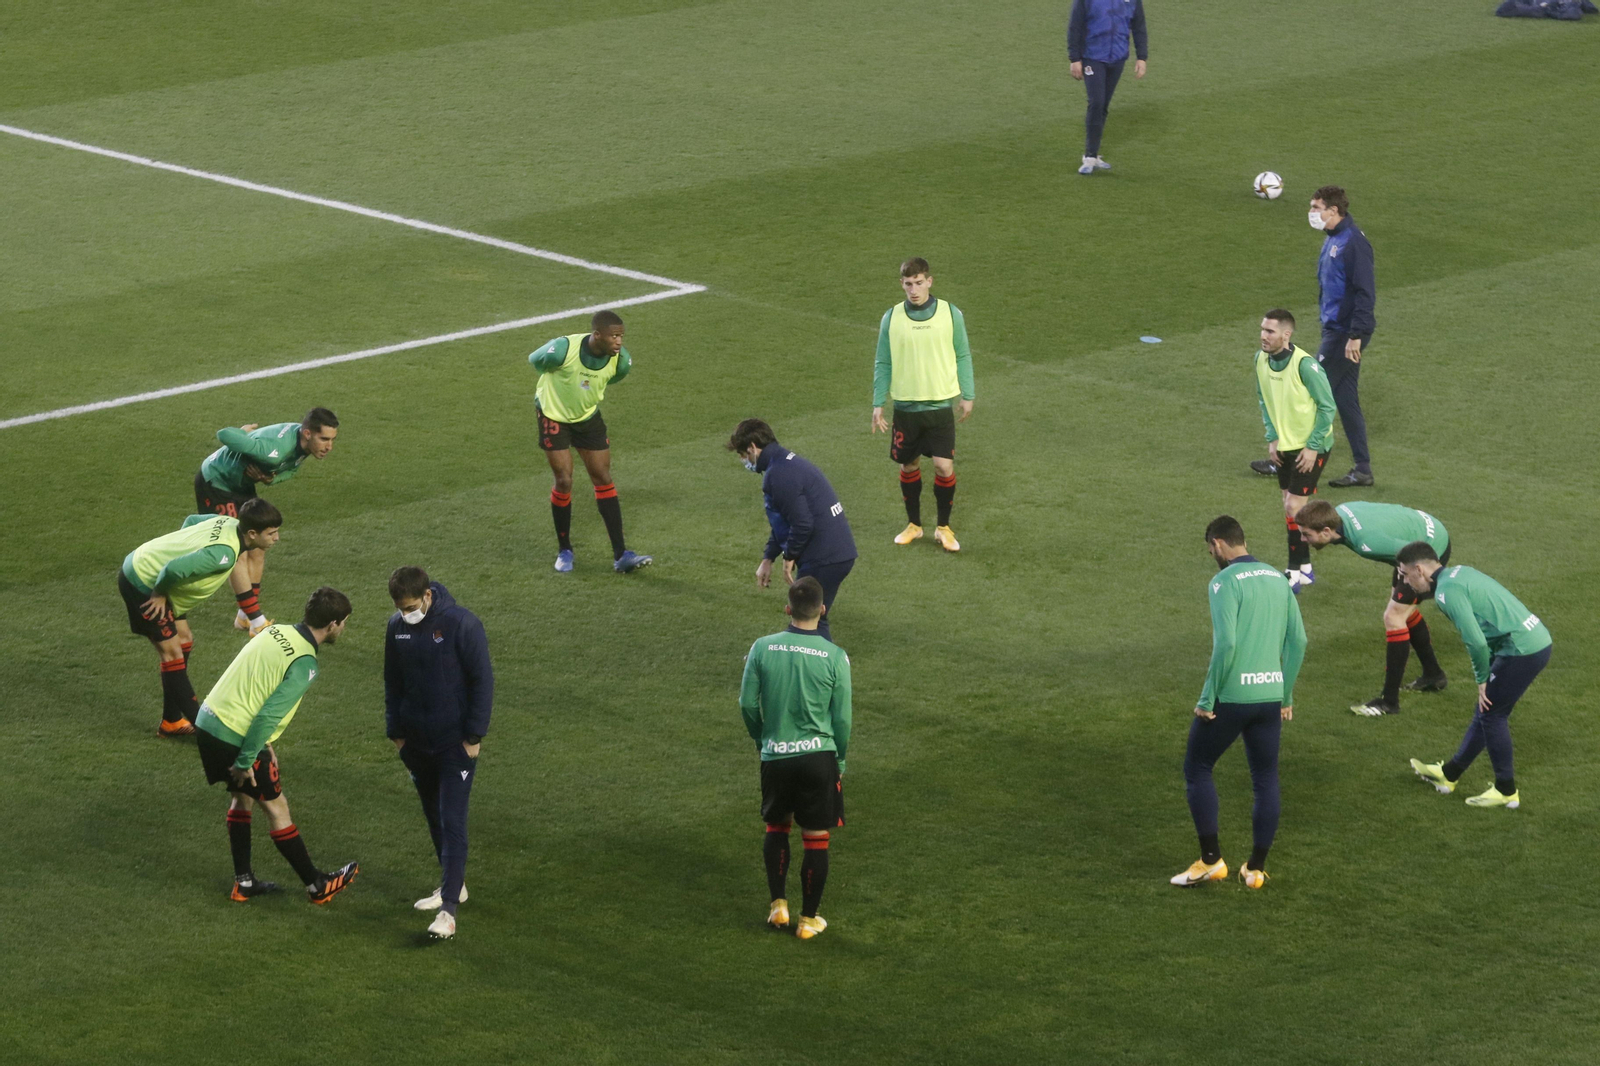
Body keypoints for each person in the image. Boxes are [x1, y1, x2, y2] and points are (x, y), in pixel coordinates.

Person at [193, 586, 359, 903]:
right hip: (236, 736)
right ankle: (317, 886)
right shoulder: (305, 662)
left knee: (243, 799)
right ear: (334, 624)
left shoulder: (275, 630)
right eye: (345, 622)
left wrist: (262, 745)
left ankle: (244, 883)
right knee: (277, 809)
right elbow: (268, 714)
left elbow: (253, 683)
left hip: (208, 722)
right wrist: (245, 760)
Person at [1172, 516, 1305, 891]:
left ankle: (1211, 861)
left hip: (1232, 696)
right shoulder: (1279, 579)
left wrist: (1207, 697)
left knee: (1197, 767)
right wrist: (1287, 694)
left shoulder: (1223, 582)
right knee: (1265, 780)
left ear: (1217, 544)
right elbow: (1299, 642)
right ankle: (1256, 869)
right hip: (1270, 696)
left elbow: (1227, 644)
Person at [1397, 545, 1553, 809]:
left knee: (1492, 714)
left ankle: (1506, 790)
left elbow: (1476, 642)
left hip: (1522, 650)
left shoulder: (1447, 592)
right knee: (1486, 710)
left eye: (1404, 574)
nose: (1403, 580)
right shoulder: (1460, 572)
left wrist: (1482, 679)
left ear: (1419, 569)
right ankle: (1449, 775)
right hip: (1530, 640)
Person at [384, 566, 494, 940]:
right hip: (416, 743)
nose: (406, 613)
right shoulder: (395, 628)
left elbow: (482, 680)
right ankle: (454, 883)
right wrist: (396, 735)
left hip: (453, 743)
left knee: (452, 818)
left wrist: (474, 735)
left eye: (412, 606)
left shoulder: (462, 624)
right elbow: (392, 682)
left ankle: (448, 911)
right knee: (433, 813)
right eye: (401, 608)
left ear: (428, 595)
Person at [739, 577, 852, 940]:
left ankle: (778, 906)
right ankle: (808, 920)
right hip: (819, 757)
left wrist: (762, 738)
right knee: (815, 836)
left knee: (777, 826)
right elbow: (842, 719)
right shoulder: (835, 656)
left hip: (777, 754)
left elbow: (745, 703)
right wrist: (841, 759)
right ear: (823, 610)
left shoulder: (762, 647)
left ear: (788, 609)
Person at [119, 499, 283, 736]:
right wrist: (160, 593)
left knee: (184, 640)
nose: (276, 538)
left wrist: (182, 548)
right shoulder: (222, 554)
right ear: (252, 533)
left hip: (151, 569)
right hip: (143, 582)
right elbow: (172, 570)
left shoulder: (228, 522)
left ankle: (172, 721)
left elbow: (192, 521)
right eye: (271, 533)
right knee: (172, 652)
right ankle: (206, 729)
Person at [1296, 499, 1451, 717]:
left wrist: (1426, 580)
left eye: (1307, 534)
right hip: (1417, 534)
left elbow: (1418, 558)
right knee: (1402, 611)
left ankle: (1389, 702)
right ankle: (1433, 675)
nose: (1303, 540)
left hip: (1429, 550)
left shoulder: (1367, 542)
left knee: (1394, 617)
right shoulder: (1340, 513)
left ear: (1326, 530)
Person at [527, 310, 651, 574]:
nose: (619, 342)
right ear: (597, 336)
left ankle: (621, 555)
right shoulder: (563, 349)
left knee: (603, 478)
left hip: (587, 417)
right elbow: (535, 360)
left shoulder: (621, 361)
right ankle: (565, 550)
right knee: (564, 480)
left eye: (621, 336)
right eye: (614, 336)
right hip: (553, 416)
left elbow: (612, 377)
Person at [194, 409, 339, 634]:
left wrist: (271, 478)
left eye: (332, 440)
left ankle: (244, 617)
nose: (329, 447)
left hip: (241, 486)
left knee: (258, 546)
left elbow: (291, 471)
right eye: (325, 439)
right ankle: (257, 621)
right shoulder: (273, 452)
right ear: (308, 433)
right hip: (216, 481)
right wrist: (241, 434)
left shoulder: (302, 444)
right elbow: (224, 434)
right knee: (237, 549)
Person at [871, 257, 975, 553]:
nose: (913, 290)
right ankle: (914, 525)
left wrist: (967, 394)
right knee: (909, 463)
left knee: (943, 467)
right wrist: (878, 402)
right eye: (908, 284)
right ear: (901, 284)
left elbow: (963, 354)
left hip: (940, 406)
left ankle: (943, 527)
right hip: (905, 408)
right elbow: (883, 361)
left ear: (929, 281)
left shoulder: (950, 314)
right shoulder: (891, 318)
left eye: (919, 283)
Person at [727, 419, 858, 642]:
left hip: (825, 556)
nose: (744, 460)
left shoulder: (777, 475)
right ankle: (810, 665)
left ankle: (816, 667)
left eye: (743, 454)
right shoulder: (784, 463)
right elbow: (785, 522)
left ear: (753, 447)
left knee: (809, 617)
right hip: (836, 551)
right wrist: (769, 557)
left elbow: (802, 524)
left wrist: (790, 556)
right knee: (810, 616)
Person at [1251, 310, 1336, 592]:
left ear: (1286, 335)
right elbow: (1265, 400)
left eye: (1270, 331)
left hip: (1311, 446)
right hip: (1285, 445)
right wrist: (1272, 437)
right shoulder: (1260, 360)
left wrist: (1312, 447)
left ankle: (1293, 571)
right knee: (1290, 504)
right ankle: (1306, 568)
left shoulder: (1305, 366)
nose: (1264, 335)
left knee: (1293, 506)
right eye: (1263, 329)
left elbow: (1327, 407)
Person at [1308, 186, 1377, 488]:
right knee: (1346, 400)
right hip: (1336, 330)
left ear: (1334, 211)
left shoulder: (1352, 243)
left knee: (1306, 385)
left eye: (1316, 207)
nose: (1312, 213)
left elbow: (1365, 292)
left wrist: (1356, 336)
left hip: (1344, 334)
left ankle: (1285, 458)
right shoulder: (1334, 239)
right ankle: (1362, 469)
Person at [1067, 0, 1148, 175]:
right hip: (1092, 56)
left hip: (1117, 58)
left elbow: (1139, 25)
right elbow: (1075, 25)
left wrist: (1142, 57)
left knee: (1103, 105)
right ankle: (1089, 156)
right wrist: (1075, 58)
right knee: (1096, 102)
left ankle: (1094, 155)